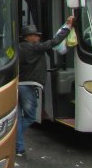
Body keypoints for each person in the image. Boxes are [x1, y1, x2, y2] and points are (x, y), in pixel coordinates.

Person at [16, 15, 75, 157]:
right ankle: (13, 139)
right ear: (28, 37)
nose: (37, 38)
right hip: (29, 85)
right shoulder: (34, 48)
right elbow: (54, 42)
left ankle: (19, 148)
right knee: (30, 116)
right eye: (35, 36)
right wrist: (67, 26)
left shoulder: (17, 48)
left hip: (17, 85)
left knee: (18, 116)